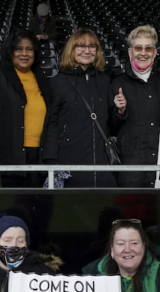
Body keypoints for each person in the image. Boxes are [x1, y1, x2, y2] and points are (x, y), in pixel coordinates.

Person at [0, 29, 53, 188]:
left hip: (38, 160)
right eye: (18, 49)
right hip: (5, 160)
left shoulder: (42, 79)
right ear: (10, 51)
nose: (24, 53)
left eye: (29, 49)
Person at [110, 26, 160, 188]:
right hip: (131, 167)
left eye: (148, 48)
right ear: (130, 52)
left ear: (154, 53)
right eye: (138, 48)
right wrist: (120, 111)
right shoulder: (118, 84)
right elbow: (111, 128)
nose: (143, 53)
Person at [43, 29, 118, 187]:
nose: (87, 50)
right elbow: (51, 123)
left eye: (92, 46)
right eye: (81, 46)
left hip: (102, 161)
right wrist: (51, 160)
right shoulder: (58, 82)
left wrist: (121, 110)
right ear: (71, 49)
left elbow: (112, 122)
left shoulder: (105, 81)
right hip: (68, 160)